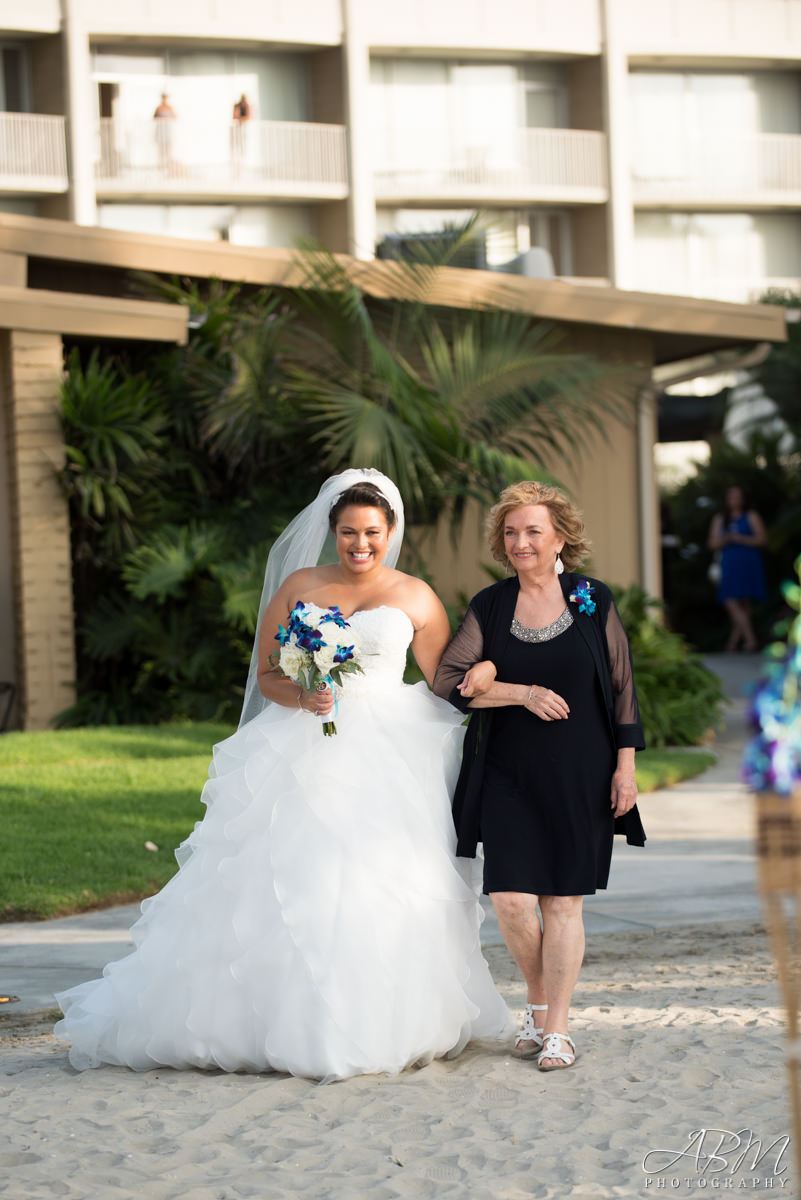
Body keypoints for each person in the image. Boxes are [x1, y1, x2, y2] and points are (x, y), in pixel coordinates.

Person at [54, 468, 513, 1081]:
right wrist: (307, 697)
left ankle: (382, 1019)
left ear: (391, 530)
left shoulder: (416, 596)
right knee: (292, 873)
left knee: (382, 878)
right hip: (305, 745)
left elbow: (445, 682)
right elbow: (270, 674)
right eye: (348, 532)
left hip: (390, 753)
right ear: (332, 530)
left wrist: (498, 683)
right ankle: (263, 1021)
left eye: (372, 532)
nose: (360, 544)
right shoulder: (301, 584)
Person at [433, 481, 646, 1072]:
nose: (521, 542)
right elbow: (450, 682)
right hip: (506, 771)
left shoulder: (590, 598)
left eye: (533, 531)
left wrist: (625, 768)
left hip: (582, 768)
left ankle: (556, 1028)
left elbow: (623, 686)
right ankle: (537, 1000)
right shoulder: (491, 605)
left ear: (560, 539)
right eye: (511, 532)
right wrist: (519, 693)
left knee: (562, 903)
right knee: (509, 900)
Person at [708, 484, 767, 653]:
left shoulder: (751, 516)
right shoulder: (720, 519)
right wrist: (727, 538)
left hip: (747, 561)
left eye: (738, 496)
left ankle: (734, 644)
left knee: (744, 604)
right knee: (730, 600)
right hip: (729, 563)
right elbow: (711, 543)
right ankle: (750, 640)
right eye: (732, 496)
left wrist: (740, 538)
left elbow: (762, 539)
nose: (735, 500)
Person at [152, 92, 176, 173]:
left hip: (168, 132)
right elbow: (154, 118)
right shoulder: (158, 108)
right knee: (161, 151)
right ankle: (161, 166)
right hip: (160, 132)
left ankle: (168, 166)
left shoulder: (170, 108)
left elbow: (175, 117)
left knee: (168, 150)